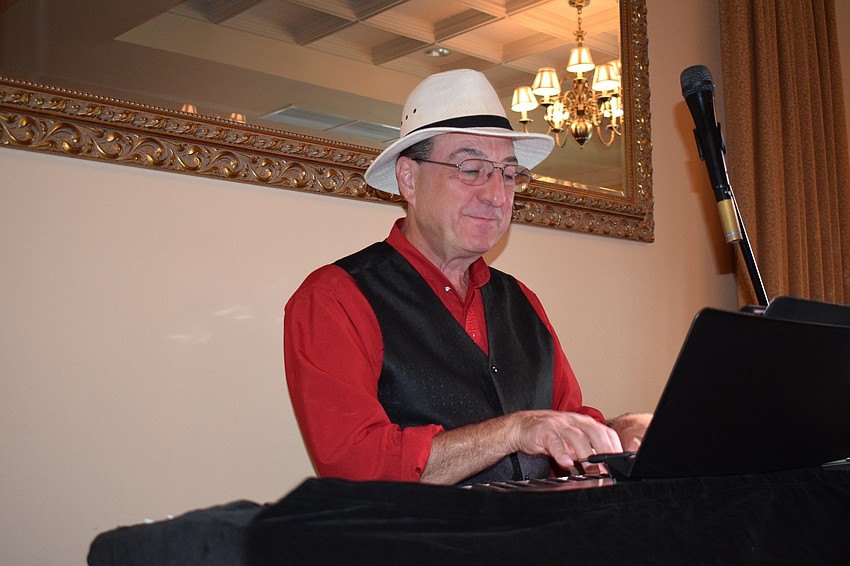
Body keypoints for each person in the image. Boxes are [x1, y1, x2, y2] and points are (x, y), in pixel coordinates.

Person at [284, 69, 649, 487]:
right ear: (409, 178)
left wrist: (621, 433)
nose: (497, 195)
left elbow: (565, 422)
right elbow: (355, 463)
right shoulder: (335, 297)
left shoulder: (521, 299)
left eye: (508, 174)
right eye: (472, 169)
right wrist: (511, 431)